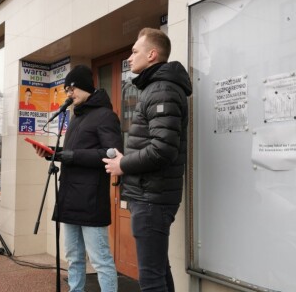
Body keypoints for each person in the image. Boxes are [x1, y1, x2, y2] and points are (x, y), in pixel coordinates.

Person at [103, 27, 192, 291]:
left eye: (134, 51)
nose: (129, 58)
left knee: (151, 280)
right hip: (150, 195)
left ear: (152, 54)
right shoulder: (156, 88)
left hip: (152, 198)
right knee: (159, 271)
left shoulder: (161, 89)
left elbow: (163, 149)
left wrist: (123, 164)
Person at [31, 65, 123, 292]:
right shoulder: (75, 118)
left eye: (71, 88)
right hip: (70, 198)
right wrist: (53, 153)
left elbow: (112, 154)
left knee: (100, 260)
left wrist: (71, 156)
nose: (69, 94)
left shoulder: (105, 116)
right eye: (66, 90)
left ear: (84, 86)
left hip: (91, 199)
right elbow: (75, 153)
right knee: (73, 257)